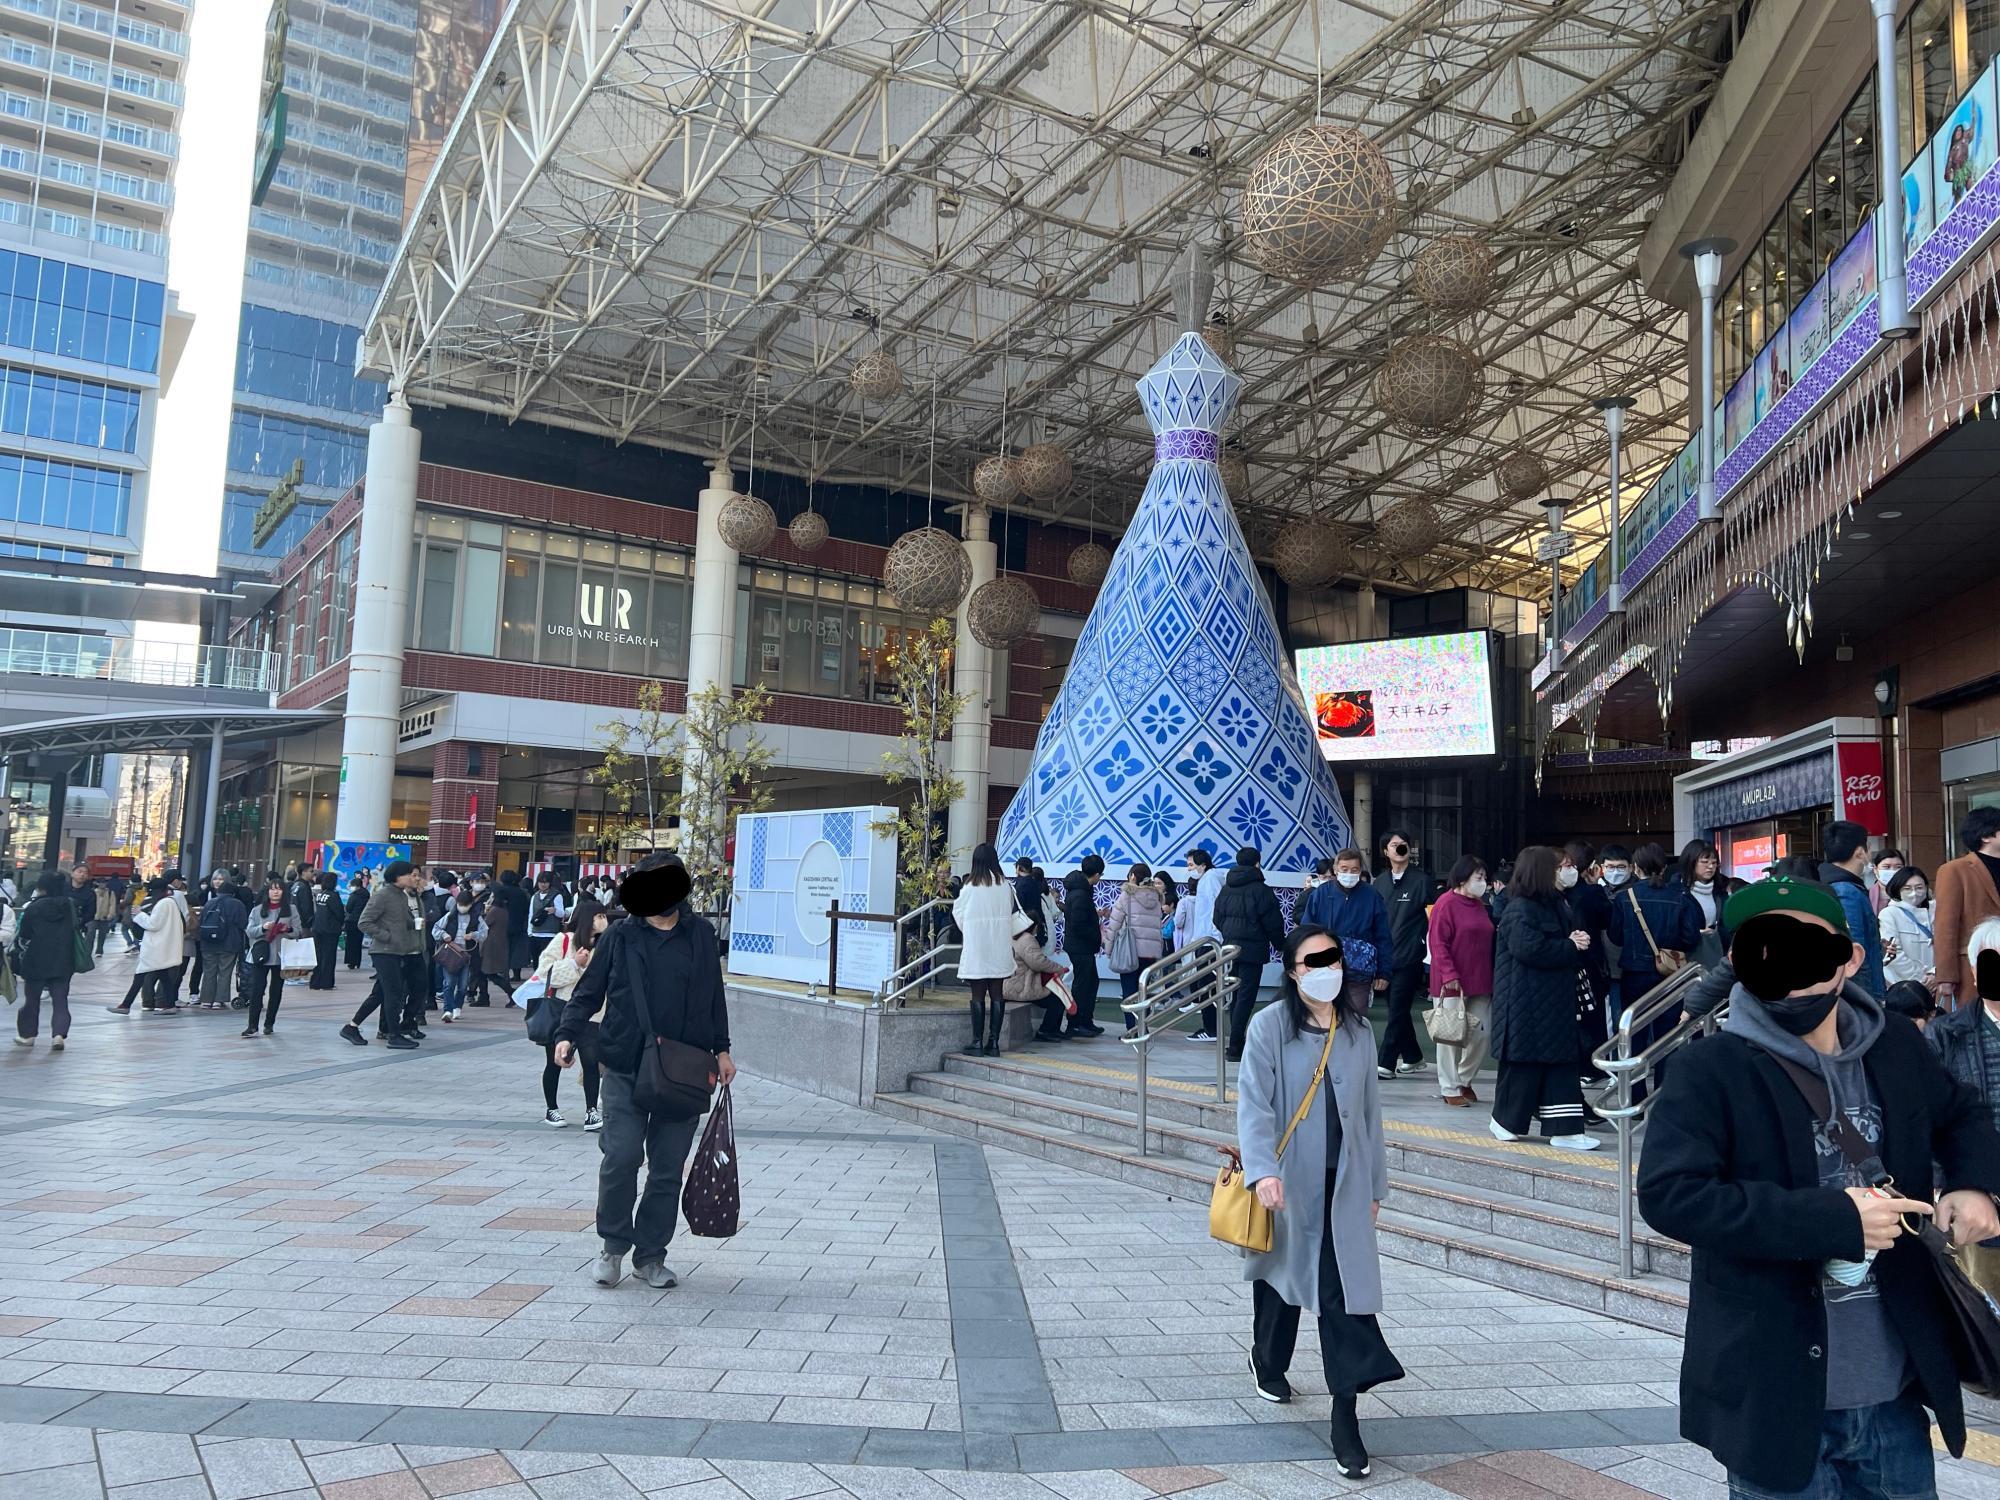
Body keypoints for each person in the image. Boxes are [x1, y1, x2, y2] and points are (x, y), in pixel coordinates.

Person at [1638, 876, 2000, 1499]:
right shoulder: (1710, 1068)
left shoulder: (1894, 1045)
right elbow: (1672, 1193)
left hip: (1895, 1389)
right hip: (1774, 1389)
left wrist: (1975, 1187)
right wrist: (1834, 1220)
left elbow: (1962, 1112)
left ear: (1851, 956)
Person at [1236, 924, 1402, 1480]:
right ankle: (1268, 1358)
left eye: (1332, 958)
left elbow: (1373, 1116)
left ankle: (1346, 1418)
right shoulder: (1269, 1028)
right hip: (1289, 1181)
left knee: (1342, 1296)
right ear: (1292, 971)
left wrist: (1376, 1185)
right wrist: (1262, 1172)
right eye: (1313, 961)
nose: (1326, 968)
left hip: (1346, 1186)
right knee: (1283, 1280)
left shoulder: (1357, 1031)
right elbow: (1255, 1107)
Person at [554, 854, 735, 1290]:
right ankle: (613, 1246)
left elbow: (714, 996)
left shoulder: (700, 935)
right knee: (622, 1156)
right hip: (624, 1062)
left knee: (668, 1167)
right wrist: (566, 1034)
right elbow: (589, 989)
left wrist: (723, 1049)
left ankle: (651, 1255)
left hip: (686, 1068)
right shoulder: (621, 935)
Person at [1489, 846, 1597, 1150]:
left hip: (1551, 1001)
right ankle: (1504, 1122)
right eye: (1556, 868)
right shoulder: (1518, 908)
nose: (1562, 873)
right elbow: (1530, 949)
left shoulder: (1554, 904)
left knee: (1559, 1065)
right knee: (1523, 1065)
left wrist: (1574, 943)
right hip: (1525, 1005)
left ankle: (1566, 1130)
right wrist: (1569, 945)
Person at [1926, 915, 2000, 1299]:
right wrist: (1947, 1184)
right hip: (1982, 1188)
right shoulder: (1945, 1034)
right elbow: (1931, 1117)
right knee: (1986, 1303)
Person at [1607, 843, 1703, 1032]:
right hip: (1670, 973)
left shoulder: (1624, 897)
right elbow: (1691, 937)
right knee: (1667, 1032)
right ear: (1664, 868)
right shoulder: (1680, 896)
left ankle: (1636, 1062)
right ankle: (1664, 1063)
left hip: (1634, 974)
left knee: (1634, 1030)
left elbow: (1615, 937)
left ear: (1635, 867)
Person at [1427, 856, 1495, 1107]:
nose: (1484, 883)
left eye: (1484, 878)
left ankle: (1464, 1079)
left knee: (1481, 1033)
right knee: (1448, 1037)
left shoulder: (1480, 904)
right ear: (1463, 878)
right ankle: (1449, 1086)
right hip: (1451, 981)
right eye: (1479, 878)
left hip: (1480, 979)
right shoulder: (1445, 904)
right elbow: (1437, 942)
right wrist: (1449, 974)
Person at [1302, 847, 1392, 1028]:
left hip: (1359, 972)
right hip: (1324, 969)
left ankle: (1352, 1055)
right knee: (1322, 1020)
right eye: (1344, 869)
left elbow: (1383, 936)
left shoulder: (1372, 895)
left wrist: (1384, 971)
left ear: (1360, 871)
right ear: (1335, 869)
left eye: (1354, 870)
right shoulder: (1320, 894)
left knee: (1355, 1021)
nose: (1349, 873)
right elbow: (1306, 931)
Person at [1214, 845, 1287, 1063]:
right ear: (1258, 863)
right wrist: (1281, 944)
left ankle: (1235, 1038)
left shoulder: (1227, 888)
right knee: (1246, 996)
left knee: (1234, 994)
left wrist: (1229, 933)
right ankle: (1235, 1044)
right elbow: (1273, 922)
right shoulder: (1262, 890)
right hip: (1253, 950)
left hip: (1229, 949)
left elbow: (1217, 918)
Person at [1372, 829, 1434, 1080]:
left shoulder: (1422, 881)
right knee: (1397, 1009)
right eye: (1394, 844)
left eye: (1403, 844)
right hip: (1385, 956)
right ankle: (1413, 1056)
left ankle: (1385, 1062)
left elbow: (1434, 916)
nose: (1399, 848)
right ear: (1385, 851)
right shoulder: (1380, 882)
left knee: (1397, 1008)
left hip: (1410, 956)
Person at [534, 911, 599, 1129]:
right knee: (555, 1063)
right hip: (561, 1011)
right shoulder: (563, 940)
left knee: (591, 1064)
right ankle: (551, 1108)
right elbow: (545, 972)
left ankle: (592, 1111)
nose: (602, 920)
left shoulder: (605, 943)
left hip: (593, 1015)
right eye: (598, 915)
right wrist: (574, 963)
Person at [350, 861, 426, 1048]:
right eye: (409, 874)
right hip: (384, 952)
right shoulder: (382, 895)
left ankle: (351, 1027)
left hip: (397, 952)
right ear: (397, 876)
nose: (412, 877)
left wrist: (413, 923)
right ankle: (393, 1035)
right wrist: (386, 936)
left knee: (381, 993)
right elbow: (364, 922)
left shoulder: (401, 896)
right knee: (393, 994)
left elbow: (400, 920)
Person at [953, 843, 1018, 1057]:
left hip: (978, 946)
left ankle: (977, 1042)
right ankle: (994, 1043)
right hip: (999, 946)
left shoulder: (969, 887)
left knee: (978, 994)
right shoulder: (1005, 886)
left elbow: (959, 915)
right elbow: (1010, 911)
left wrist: (972, 930)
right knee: (997, 992)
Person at [1932, 806, 2000, 1010]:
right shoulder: (1955, 870)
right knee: (1974, 1027)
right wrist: (1945, 975)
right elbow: (1945, 925)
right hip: (1972, 966)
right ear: (1987, 835)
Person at [1819, 819, 1886, 996]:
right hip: (1859, 996)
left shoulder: (1835, 884)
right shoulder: (1845, 890)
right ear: (1860, 852)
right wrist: (1867, 1002)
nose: (1870, 854)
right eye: (1869, 849)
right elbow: (1853, 953)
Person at [11, 872, 79, 1049]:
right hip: (63, 958)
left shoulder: (33, 907)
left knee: (32, 999)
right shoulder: (69, 906)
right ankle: (58, 1036)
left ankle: (28, 1036)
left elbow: (24, 934)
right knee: (60, 999)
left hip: (36, 958)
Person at [240, 878, 302, 1036]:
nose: (276, 892)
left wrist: (287, 930)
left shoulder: (291, 909)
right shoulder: (257, 910)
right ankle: (252, 1025)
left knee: (276, 991)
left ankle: (269, 1023)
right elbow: (249, 931)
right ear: (267, 891)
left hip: (282, 955)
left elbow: (298, 931)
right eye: (272, 889)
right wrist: (263, 927)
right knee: (257, 990)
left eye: (279, 889)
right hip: (262, 955)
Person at [1103, 862, 1165, 1017]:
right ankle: (1144, 1026)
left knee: (1129, 992)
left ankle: (1132, 1029)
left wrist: (1109, 950)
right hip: (1151, 953)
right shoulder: (1157, 898)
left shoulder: (1127, 896)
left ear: (1132, 876)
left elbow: (1114, 925)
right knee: (1144, 990)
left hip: (1130, 950)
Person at [1007, 908, 1071, 1041]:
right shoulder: (1027, 939)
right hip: (1023, 986)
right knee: (1057, 999)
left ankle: (1053, 1030)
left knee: (1056, 998)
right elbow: (1038, 962)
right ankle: (1046, 1030)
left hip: (1012, 984)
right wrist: (1058, 968)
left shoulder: (1015, 937)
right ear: (1035, 926)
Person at [1181, 847, 1225, 1040]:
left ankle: (1211, 1029)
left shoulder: (1210, 879)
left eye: (1191, 865)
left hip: (1209, 940)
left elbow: (1216, 907)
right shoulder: (1207, 880)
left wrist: (1214, 935)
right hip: (1206, 939)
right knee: (1206, 985)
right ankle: (1210, 1027)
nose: (1189, 869)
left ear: (1203, 865)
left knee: (1208, 986)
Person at [1062, 855, 1106, 1039]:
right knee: (1082, 985)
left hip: (1081, 945)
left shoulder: (1080, 890)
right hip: (1081, 946)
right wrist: (1094, 935)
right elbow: (1079, 923)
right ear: (1096, 874)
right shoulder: (1081, 893)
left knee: (1090, 982)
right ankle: (1075, 1023)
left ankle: (1085, 1020)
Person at [193, 871, 248, 1011]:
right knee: (225, 971)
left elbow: (201, 922)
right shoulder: (237, 904)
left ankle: (206, 1000)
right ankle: (219, 1000)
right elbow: (243, 924)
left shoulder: (209, 903)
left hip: (208, 944)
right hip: (229, 944)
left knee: (209, 971)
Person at [431, 888, 485, 1020]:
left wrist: (473, 935)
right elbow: (436, 929)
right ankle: (448, 1009)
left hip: (466, 954)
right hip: (451, 953)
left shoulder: (476, 918)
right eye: (460, 904)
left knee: (462, 985)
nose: (462, 908)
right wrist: (444, 935)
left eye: (466, 905)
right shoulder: (450, 915)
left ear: (471, 904)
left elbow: (484, 932)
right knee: (449, 983)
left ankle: (457, 1007)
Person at [1877, 866, 1934, 989]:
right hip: (1904, 986)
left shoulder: (1936, 910)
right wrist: (1920, 980)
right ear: (1898, 890)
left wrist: (1935, 974)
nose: (1914, 893)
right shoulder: (1889, 914)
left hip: (1936, 982)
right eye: (1907, 888)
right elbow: (1894, 953)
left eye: (1919, 887)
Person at [480, 888, 517, 1006]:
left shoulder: (494, 911)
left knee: (489, 972)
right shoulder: (504, 910)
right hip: (500, 943)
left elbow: (484, 924)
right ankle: (511, 992)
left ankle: (511, 992)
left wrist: (484, 912)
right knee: (491, 972)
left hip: (490, 945)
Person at [306, 872, 342, 989]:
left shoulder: (321, 895)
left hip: (318, 928)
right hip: (330, 930)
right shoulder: (333, 896)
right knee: (329, 957)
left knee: (318, 955)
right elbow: (339, 913)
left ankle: (315, 981)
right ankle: (326, 982)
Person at [498, 869, 532, 977]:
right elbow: (527, 909)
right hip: (519, 924)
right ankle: (517, 974)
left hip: (502, 925)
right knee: (517, 950)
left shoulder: (499, 892)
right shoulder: (522, 893)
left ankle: (504, 973)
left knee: (504, 950)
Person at [1013, 857, 1050, 947]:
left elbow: (1018, 908)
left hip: (1024, 929)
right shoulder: (1035, 883)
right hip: (1037, 926)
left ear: (1018, 868)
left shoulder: (1020, 885)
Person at [529, 871, 568, 945]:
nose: (543, 884)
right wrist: (530, 932)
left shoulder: (557, 895)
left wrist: (555, 910)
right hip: (535, 933)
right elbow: (531, 914)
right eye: (540, 882)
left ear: (550, 883)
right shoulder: (534, 896)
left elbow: (562, 913)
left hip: (550, 934)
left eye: (546, 882)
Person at [342, 870, 370, 969]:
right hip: (362, 920)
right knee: (358, 942)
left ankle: (351, 961)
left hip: (352, 921)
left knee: (351, 942)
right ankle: (357, 961)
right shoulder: (367, 895)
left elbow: (349, 908)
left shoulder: (354, 896)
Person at [1868, 848, 1906, 916]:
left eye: (1898, 867)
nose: (1892, 871)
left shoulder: (1914, 893)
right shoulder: (1866, 895)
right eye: (1886, 867)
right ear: (1875, 870)